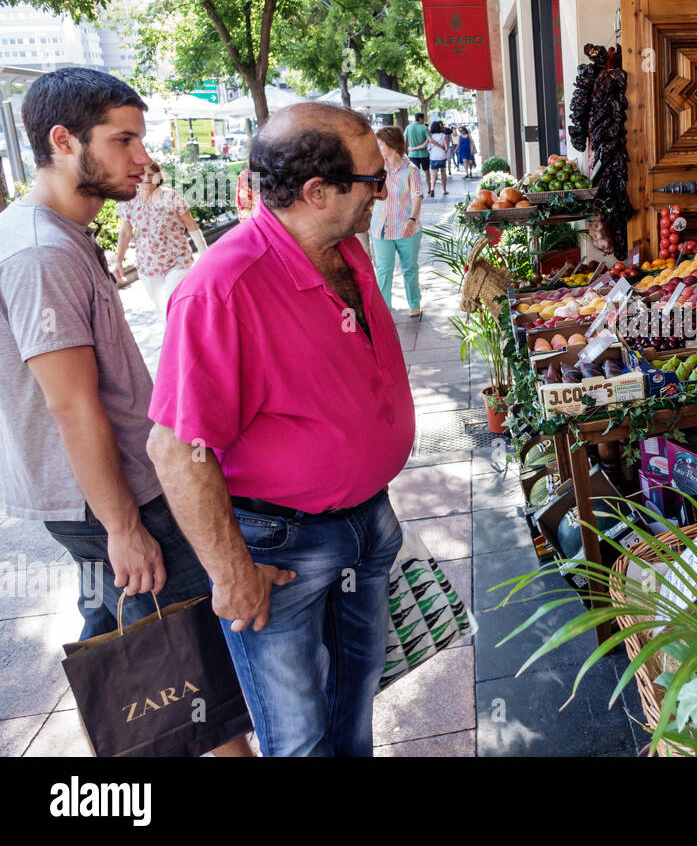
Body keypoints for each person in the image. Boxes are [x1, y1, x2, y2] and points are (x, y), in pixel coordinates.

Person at [146, 102, 416, 757]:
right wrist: (231, 571)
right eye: (372, 181)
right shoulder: (223, 287)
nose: (384, 193)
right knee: (298, 735)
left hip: (365, 525)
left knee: (355, 701)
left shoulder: (344, 249)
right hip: (280, 551)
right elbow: (177, 447)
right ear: (318, 192)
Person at [0, 67, 252, 757]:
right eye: (124, 140)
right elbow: (72, 405)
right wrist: (122, 527)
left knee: (148, 654)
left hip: (111, 494)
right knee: (193, 675)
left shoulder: (57, 231)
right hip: (112, 500)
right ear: (63, 141)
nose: (143, 157)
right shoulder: (41, 251)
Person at [112, 159, 207, 315]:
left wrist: (204, 253)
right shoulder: (129, 201)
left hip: (177, 261)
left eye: (151, 175)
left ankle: (180, 336)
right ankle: (173, 337)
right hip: (148, 266)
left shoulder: (171, 197)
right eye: (143, 175)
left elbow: (191, 225)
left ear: (158, 176)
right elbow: (125, 232)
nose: (147, 179)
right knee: (163, 312)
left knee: (173, 306)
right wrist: (118, 262)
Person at [369, 126, 424, 318]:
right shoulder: (376, 169)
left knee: (410, 268)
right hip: (381, 228)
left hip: (406, 228)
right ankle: (384, 309)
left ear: (391, 145)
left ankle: (414, 303)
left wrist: (412, 220)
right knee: (383, 270)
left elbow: (417, 196)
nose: (378, 148)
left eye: (380, 144)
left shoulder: (411, 170)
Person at [404, 112, 431, 193]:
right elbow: (429, 139)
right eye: (424, 118)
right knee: (427, 172)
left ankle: (416, 190)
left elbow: (404, 140)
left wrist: (405, 150)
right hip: (424, 154)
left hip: (412, 155)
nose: (424, 120)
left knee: (414, 174)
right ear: (420, 119)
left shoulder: (408, 127)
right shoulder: (424, 128)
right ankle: (429, 189)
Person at [428, 120, 450, 196]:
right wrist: (444, 152)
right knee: (443, 173)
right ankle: (444, 190)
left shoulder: (430, 136)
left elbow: (428, 148)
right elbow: (447, 148)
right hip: (441, 156)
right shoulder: (443, 135)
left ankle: (432, 189)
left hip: (433, 157)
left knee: (434, 174)